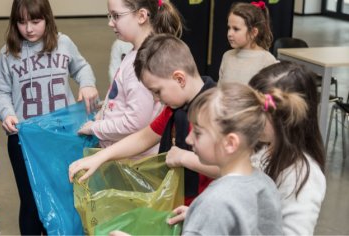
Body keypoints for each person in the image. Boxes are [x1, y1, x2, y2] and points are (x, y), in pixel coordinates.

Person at [0, 0, 98, 234]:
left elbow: (82, 68)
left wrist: (87, 84)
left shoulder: (63, 43)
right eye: (22, 22)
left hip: (61, 137)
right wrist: (7, 113)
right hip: (25, 140)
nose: (28, 29)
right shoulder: (8, 53)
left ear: (48, 19)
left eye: (35, 21)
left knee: (63, 196)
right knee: (31, 202)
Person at [70, 34, 218, 205]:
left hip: (206, 206)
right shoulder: (175, 109)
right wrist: (100, 157)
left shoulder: (216, 111)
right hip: (179, 203)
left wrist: (185, 158)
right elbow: (144, 137)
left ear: (180, 79)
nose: (156, 99)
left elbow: (229, 168)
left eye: (157, 91)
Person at [173, 82, 301, 235]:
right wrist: (201, 219)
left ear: (230, 143)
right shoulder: (265, 184)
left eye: (198, 133)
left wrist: (205, 220)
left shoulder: (215, 203)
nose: (188, 139)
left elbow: (220, 209)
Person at [77, 0, 183, 158]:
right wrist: (103, 113)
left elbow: (135, 121)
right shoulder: (134, 53)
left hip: (135, 161)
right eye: (110, 16)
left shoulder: (142, 62)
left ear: (141, 16)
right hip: (125, 156)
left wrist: (96, 127)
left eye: (116, 16)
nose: (110, 23)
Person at [248, 61, 326, 235]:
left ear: (285, 119)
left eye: (257, 112)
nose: (249, 118)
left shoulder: (304, 178)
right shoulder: (264, 149)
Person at [218, 1, 277, 85]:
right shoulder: (227, 56)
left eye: (236, 29)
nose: (229, 34)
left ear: (253, 32)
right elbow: (219, 89)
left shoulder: (267, 61)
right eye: (229, 28)